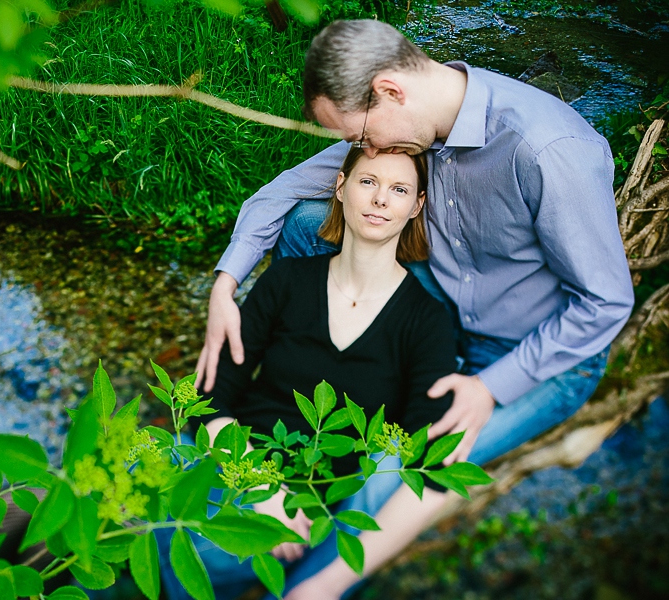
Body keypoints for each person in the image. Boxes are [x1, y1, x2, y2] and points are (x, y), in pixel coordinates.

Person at [195, 19, 635, 595]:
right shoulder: (405, 134)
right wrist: (226, 286)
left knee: (390, 478)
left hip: (534, 353)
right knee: (307, 221)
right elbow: (276, 196)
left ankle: (309, 584)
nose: (364, 154)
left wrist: (490, 386)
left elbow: (606, 303)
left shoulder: (547, 150)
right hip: (448, 312)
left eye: (361, 138)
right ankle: (312, 370)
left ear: (389, 91)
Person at [160, 148, 458, 599]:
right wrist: (259, 483)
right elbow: (214, 392)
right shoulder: (287, 281)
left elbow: (426, 459)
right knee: (137, 463)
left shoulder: (427, 321)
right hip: (236, 465)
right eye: (368, 182)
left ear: (416, 207)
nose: (380, 199)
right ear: (340, 188)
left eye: (398, 189)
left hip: (321, 505)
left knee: (209, 553)